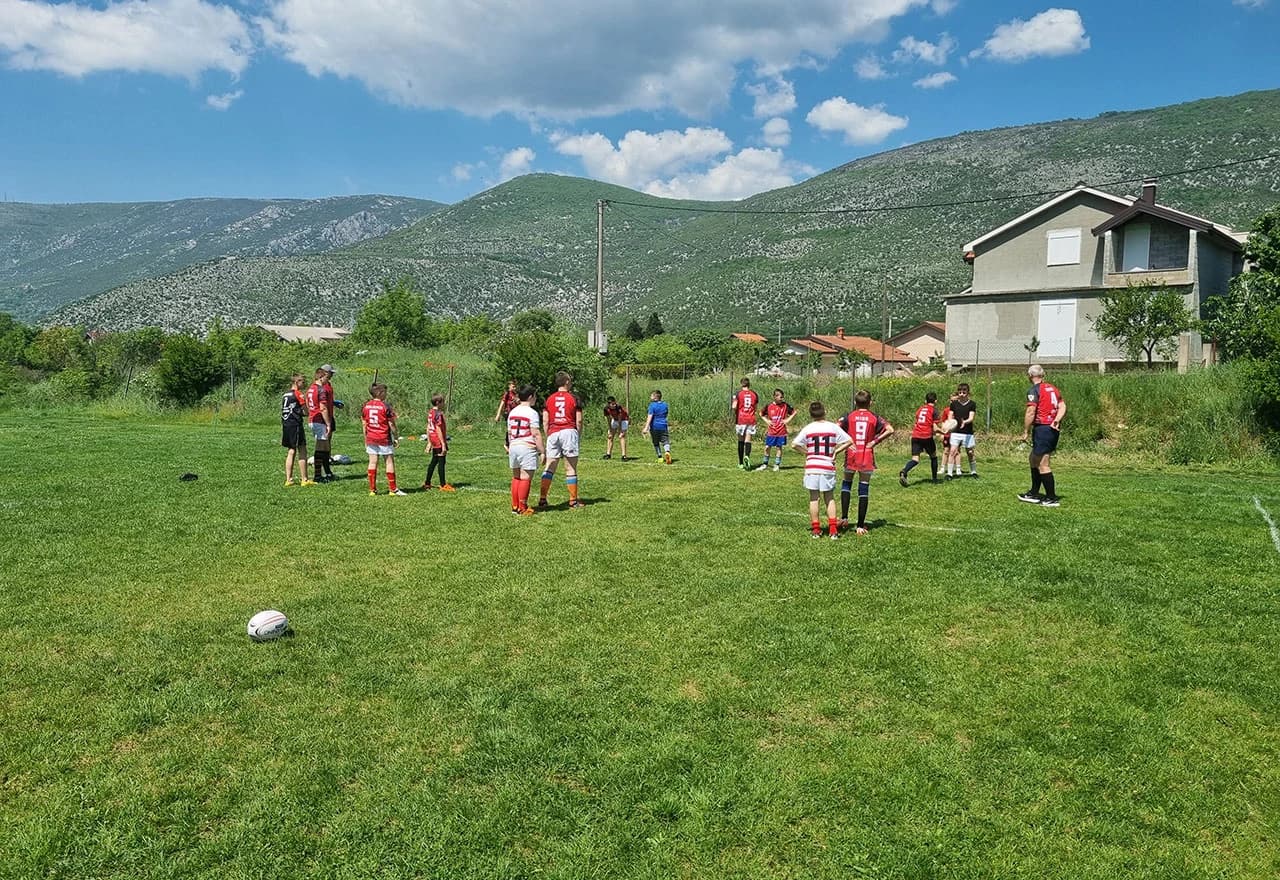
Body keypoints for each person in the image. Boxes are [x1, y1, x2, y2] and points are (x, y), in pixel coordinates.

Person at [791, 401, 852, 539]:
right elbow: (849, 441)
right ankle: (833, 530)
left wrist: (807, 452)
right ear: (825, 412)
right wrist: (836, 451)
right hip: (827, 466)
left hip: (812, 466)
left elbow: (794, 444)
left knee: (814, 498)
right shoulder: (833, 427)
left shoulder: (808, 428)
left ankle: (816, 529)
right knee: (829, 497)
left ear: (811, 414)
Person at [838, 390, 895, 535]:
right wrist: (875, 441)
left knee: (846, 484)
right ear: (870, 402)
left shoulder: (849, 416)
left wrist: (845, 441)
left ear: (855, 402)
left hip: (851, 453)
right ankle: (860, 525)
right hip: (866, 454)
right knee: (863, 488)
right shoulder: (874, 417)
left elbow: (835, 427)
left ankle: (844, 518)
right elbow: (890, 429)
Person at [1020, 364, 1066, 507]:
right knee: (1033, 458)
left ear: (1029, 376)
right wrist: (1057, 419)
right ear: (1043, 375)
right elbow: (1062, 405)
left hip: (1044, 428)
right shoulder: (1053, 388)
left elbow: (1030, 412)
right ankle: (1034, 492)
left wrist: (1025, 431)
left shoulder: (1034, 390)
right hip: (1049, 428)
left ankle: (1051, 497)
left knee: (1043, 463)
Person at [538, 371, 585, 509]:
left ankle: (542, 499)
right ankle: (573, 500)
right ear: (566, 382)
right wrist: (577, 435)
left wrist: (548, 435)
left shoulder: (549, 399)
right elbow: (579, 420)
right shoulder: (574, 398)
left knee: (549, 466)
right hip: (568, 431)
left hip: (553, 432)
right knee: (570, 468)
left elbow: (545, 420)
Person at [506, 384, 545, 515]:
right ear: (530, 397)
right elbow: (535, 434)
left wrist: (510, 445)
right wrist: (542, 451)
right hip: (526, 446)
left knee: (516, 477)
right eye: (535, 396)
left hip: (514, 445)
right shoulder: (532, 413)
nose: (536, 399)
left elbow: (509, 431)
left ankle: (515, 506)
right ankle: (523, 507)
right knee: (525, 477)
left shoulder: (513, 412)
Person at [361, 383, 405, 496]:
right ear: (380, 393)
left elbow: (364, 424)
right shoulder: (385, 406)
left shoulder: (366, 406)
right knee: (389, 461)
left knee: (372, 462)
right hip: (384, 437)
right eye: (385, 392)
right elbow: (391, 424)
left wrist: (365, 438)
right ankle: (393, 489)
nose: (386, 394)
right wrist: (396, 436)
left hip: (371, 437)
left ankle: (372, 490)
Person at [898, 391, 942, 486]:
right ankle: (934, 479)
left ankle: (904, 471)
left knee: (915, 459)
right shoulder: (934, 411)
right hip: (926, 436)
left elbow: (917, 422)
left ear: (925, 401)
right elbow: (935, 428)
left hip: (915, 435)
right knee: (933, 456)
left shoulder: (920, 409)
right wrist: (944, 432)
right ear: (936, 401)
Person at [281, 373, 315, 487]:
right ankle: (304, 479)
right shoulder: (298, 394)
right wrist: (305, 413)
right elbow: (306, 411)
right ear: (296, 382)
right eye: (302, 382)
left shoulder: (285, 394)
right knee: (302, 449)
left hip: (286, 424)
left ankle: (288, 479)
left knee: (291, 450)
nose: (304, 384)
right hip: (295, 425)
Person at [757, 388, 796, 471]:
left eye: (782, 397)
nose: (781, 399)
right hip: (771, 431)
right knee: (767, 447)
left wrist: (787, 420)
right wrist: (767, 421)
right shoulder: (769, 406)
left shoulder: (785, 405)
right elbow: (761, 414)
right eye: (780, 397)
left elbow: (794, 412)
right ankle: (764, 464)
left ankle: (777, 465)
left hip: (781, 431)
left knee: (779, 447)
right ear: (775, 397)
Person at [306, 367, 334, 482]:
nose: (327, 380)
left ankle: (327, 472)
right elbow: (323, 408)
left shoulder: (310, 388)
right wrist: (328, 423)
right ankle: (317, 476)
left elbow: (307, 404)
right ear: (321, 377)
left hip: (313, 418)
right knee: (320, 446)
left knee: (325, 446)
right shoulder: (321, 389)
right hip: (319, 420)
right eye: (326, 377)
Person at [421, 393, 454, 491]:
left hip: (433, 439)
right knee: (441, 462)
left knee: (434, 461)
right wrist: (443, 444)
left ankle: (427, 483)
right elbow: (438, 429)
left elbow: (428, 427)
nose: (444, 404)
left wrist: (429, 442)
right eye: (443, 402)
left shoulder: (431, 412)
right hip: (438, 440)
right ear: (438, 403)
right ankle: (443, 485)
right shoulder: (438, 414)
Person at [946, 383, 979, 478]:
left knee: (970, 452)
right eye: (960, 392)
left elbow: (971, 418)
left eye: (964, 392)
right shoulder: (954, 404)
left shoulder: (972, 404)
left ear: (968, 392)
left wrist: (965, 422)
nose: (962, 394)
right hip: (956, 432)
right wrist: (949, 424)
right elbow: (950, 415)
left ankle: (973, 472)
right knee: (952, 451)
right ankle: (949, 474)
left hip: (967, 432)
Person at [732, 377, 760, 469]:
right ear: (749, 384)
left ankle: (740, 463)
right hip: (751, 419)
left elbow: (734, 406)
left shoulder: (738, 394)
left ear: (741, 384)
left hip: (741, 419)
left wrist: (736, 412)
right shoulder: (754, 394)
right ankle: (747, 456)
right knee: (748, 439)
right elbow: (755, 408)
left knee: (741, 440)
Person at [319, 363, 339, 481]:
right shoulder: (321, 386)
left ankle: (328, 457)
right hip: (325, 416)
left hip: (330, 414)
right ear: (325, 372)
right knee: (324, 440)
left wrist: (334, 403)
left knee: (329, 438)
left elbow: (328, 399)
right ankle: (324, 460)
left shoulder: (328, 384)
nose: (332, 375)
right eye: (331, 373)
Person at [642, 389, 672, 463]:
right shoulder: (665, 404)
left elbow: (650, 417)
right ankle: (667, 451)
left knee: (656, 442)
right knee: (665, 441)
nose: (650, 397)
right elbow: (666, 414)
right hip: (663, 426)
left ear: (655, 397)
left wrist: (646, 428)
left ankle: (660, 457)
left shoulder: (652, 406)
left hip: (654, 427)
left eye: (651, 396)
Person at [602, 396, 629, 460]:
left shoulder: (618, 407)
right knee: (610, 436)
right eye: (612, 404)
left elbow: (620, 418)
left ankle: (624, 456)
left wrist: (620, 430)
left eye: (615, 403)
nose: (614, 405)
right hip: (615, 420)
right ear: (609, 404)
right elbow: (608, 419)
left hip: (623, 420)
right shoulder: (606, 409)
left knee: (621, 436)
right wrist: (610, 429)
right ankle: (608, 454)